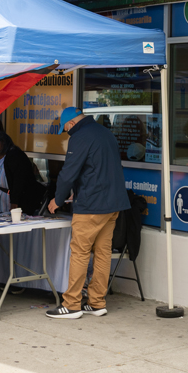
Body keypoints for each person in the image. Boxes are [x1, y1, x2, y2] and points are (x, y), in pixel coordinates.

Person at [46, 108, 130, 319]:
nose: (68, 135)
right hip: (113, 204)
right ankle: (96, 302)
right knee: (103, 253)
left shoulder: (80, 136)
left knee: (80, 252)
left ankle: (72, 304)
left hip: (92, 206)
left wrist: (57, 199)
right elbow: (99, 169)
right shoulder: (105, 133)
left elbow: (68, 173)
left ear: (72, 124)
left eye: (66, 130)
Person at [0, 131, 45, 215]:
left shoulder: (15, 156)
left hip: (17, 209)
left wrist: (14, 204)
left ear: (3, 142)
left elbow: (19, 181)